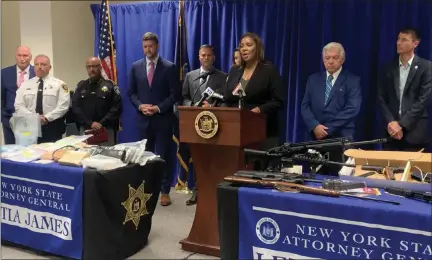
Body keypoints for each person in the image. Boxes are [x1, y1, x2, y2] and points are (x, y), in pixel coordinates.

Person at [127, 32, 181, 206]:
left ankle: (165, 191)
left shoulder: (169, 67)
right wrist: (140, 106)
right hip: (143, 119)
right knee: (145, 156)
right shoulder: (136, 67)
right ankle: (146, 189)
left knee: (163, 155)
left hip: (163, 119)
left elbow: (175, 95)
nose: (148, 49)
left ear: (157, 46)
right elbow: (131, 93)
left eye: (150, 46)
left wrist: (158, 108)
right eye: (145, 46)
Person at [301, 42, 362, 175]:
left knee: (341, 180)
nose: (330, 62)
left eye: (335, 58)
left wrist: (327, 129)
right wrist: (315, 126)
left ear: (342, 60)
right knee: (314, 180)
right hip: (316, 138)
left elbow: (352, 108)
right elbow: (305, 106)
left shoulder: (352, 80)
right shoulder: (313, 79)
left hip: (342, 138)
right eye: (327, 58)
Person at [181, 44, 227, 205]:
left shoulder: (223, 77)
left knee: (214, 160)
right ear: (198, 57)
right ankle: (196, 190)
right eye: (203, 55)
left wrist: (213, 108)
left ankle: (213, 191)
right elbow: (185, 97)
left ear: (213, 57)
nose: (206, 58)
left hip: (214, 125)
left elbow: (226, 101)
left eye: (208, 55)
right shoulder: (190, 76)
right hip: (195, 124)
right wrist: (193, 106)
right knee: (197, 159)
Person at [224, 32, 284, 150]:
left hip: (262, 130)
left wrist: (259, 109)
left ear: (257, 48)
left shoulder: (269, 71)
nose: (244, 49)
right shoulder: (235, 70)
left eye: (248, 45)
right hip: (236, 131)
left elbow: (279, 101)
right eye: (241, 46)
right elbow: (227, 97)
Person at [378, 28, 432, 151]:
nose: (399, 43)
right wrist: (391, 122)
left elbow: (423, 100)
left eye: (404, 40)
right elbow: (381, 98)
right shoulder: (388, 68)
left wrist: (401, 125)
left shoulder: (426, 67)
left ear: (415, 43)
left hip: (415, 133)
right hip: (391, 133)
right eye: (398, 39)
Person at [14, 54, 70, 143]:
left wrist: (47, 118)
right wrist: (34, 117)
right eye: (37, 64)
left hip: (52, 126)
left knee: (50, 154)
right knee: (30, 153)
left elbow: (63, 106)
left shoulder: (60, 85)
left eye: (43, 64)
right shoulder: (25, 85)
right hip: (29, 126)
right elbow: (18, 105)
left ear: (50, 67)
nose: (39, 67)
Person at [72, 57, 122, 145]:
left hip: (106, 129)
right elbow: (76, 107)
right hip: (86, 129)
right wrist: (90, 123)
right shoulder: (81, 86)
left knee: (107, 157)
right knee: (86, 156)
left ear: (100, 67)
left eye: (95, 66)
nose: (92, 69)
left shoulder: (110, 85)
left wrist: (101, 123)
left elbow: (116, 108)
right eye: (89, 67)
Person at [1, 46, 35, 144]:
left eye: (25, 55)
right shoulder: (4, 73)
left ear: (31, 57)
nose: (22, 59)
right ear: (15, 56)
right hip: (9, 118)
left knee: (29, 150)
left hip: (30, 119)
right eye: (19, 55)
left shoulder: (37, 72)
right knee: (11, 150)